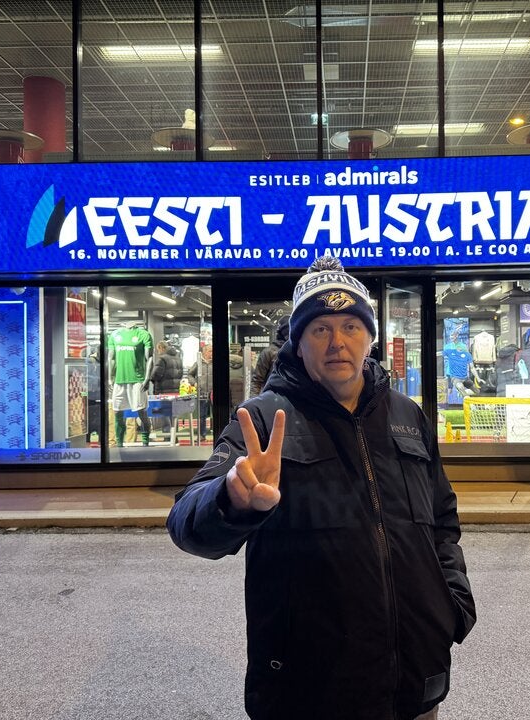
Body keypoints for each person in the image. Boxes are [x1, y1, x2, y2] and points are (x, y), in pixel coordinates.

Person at [167, 257, 475, 720]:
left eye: (351, 325)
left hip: (413, 677)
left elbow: (442, 522)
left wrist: (451, 602)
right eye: (319, 329)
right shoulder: (265, 419)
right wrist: (231, 498)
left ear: (370, 337)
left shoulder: (407, 416)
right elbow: (186, 524)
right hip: (310, 686)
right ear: (298, 341)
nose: (337, 342)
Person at [107, 320, 154, 447]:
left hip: (137, 380)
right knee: (117, 412)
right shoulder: (115, 335)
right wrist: (109, 378)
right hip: (119, 380)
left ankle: (145, 442)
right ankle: (119, 444)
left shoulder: (143, 334)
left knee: (142, 412)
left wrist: (147, 378)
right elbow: (110, 358)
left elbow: (149, 357)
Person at [250, 314, 290, 396]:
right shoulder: (269, 352)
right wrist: (253, 403)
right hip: (271, 399)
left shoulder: (298, 350)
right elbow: (257, 380)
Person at [190, 343, 213, 441]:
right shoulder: (198, 363)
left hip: (214, 393)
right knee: (202, 415)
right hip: (202, 392)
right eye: (210, 351)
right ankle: (202, 435)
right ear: (204, 352)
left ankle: (219, 434)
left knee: (217, 414)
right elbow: (190, 374)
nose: (212, 353)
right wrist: (194, 383)